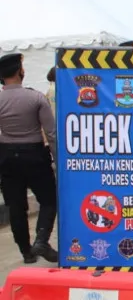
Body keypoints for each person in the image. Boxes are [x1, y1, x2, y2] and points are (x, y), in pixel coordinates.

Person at [0, 53, 58, 264]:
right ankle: (42, 239)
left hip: (7, 157)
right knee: (49, 199)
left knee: (16, 206)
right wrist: (57, 160)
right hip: (35, 155)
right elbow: (51, 134)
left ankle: (26, 252)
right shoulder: (35, 98)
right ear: (20, 72)